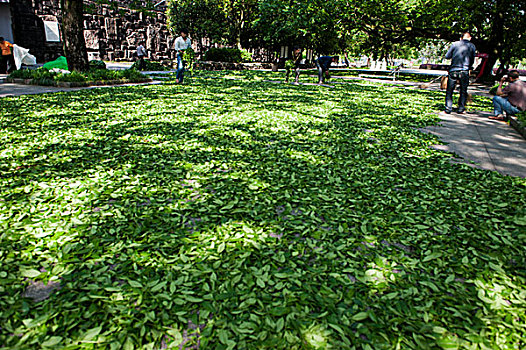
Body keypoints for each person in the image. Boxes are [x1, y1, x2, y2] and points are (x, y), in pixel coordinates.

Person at [444, 32, 476, 114]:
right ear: (470, 38)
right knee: (463, 90)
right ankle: (461, 108)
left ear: (461, 38)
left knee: (450, 90)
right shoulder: (472, 46)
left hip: (453, 70)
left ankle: (448, 108)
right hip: (464, 70)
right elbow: (472, 60)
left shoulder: (454, 44)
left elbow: (447, 56)